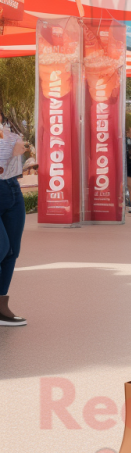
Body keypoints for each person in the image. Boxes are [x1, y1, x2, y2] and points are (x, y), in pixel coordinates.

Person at [0, 113, 28, 326]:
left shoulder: (9, 135)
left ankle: (1, 306)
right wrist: (11, 153)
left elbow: (13, 169)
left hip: (12, 189)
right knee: (2, 247)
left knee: (12, 251)